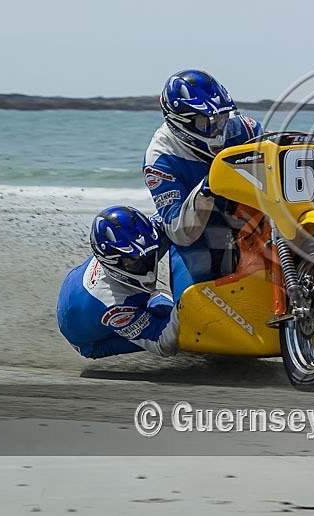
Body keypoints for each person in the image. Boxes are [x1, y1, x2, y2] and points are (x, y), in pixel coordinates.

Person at [143, 69, 263, 300]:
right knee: (192, 305)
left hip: (253, 218)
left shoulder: (245, 129)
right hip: (201, 234)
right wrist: (208, 187)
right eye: (205, 122)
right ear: (180, 123)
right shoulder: (160, 158)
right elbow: (180, 232)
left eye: (221, 118)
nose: (218, 129)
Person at [56, 205, 179, 359]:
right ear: (111, 261)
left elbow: (174, 218)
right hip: (90, 341)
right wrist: (182, 308)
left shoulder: (144, 239)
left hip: (77, 294)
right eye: (133, 261)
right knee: (170, 320)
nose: (145, 264)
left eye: (149, 254)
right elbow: (163, 343)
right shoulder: (113, 306)